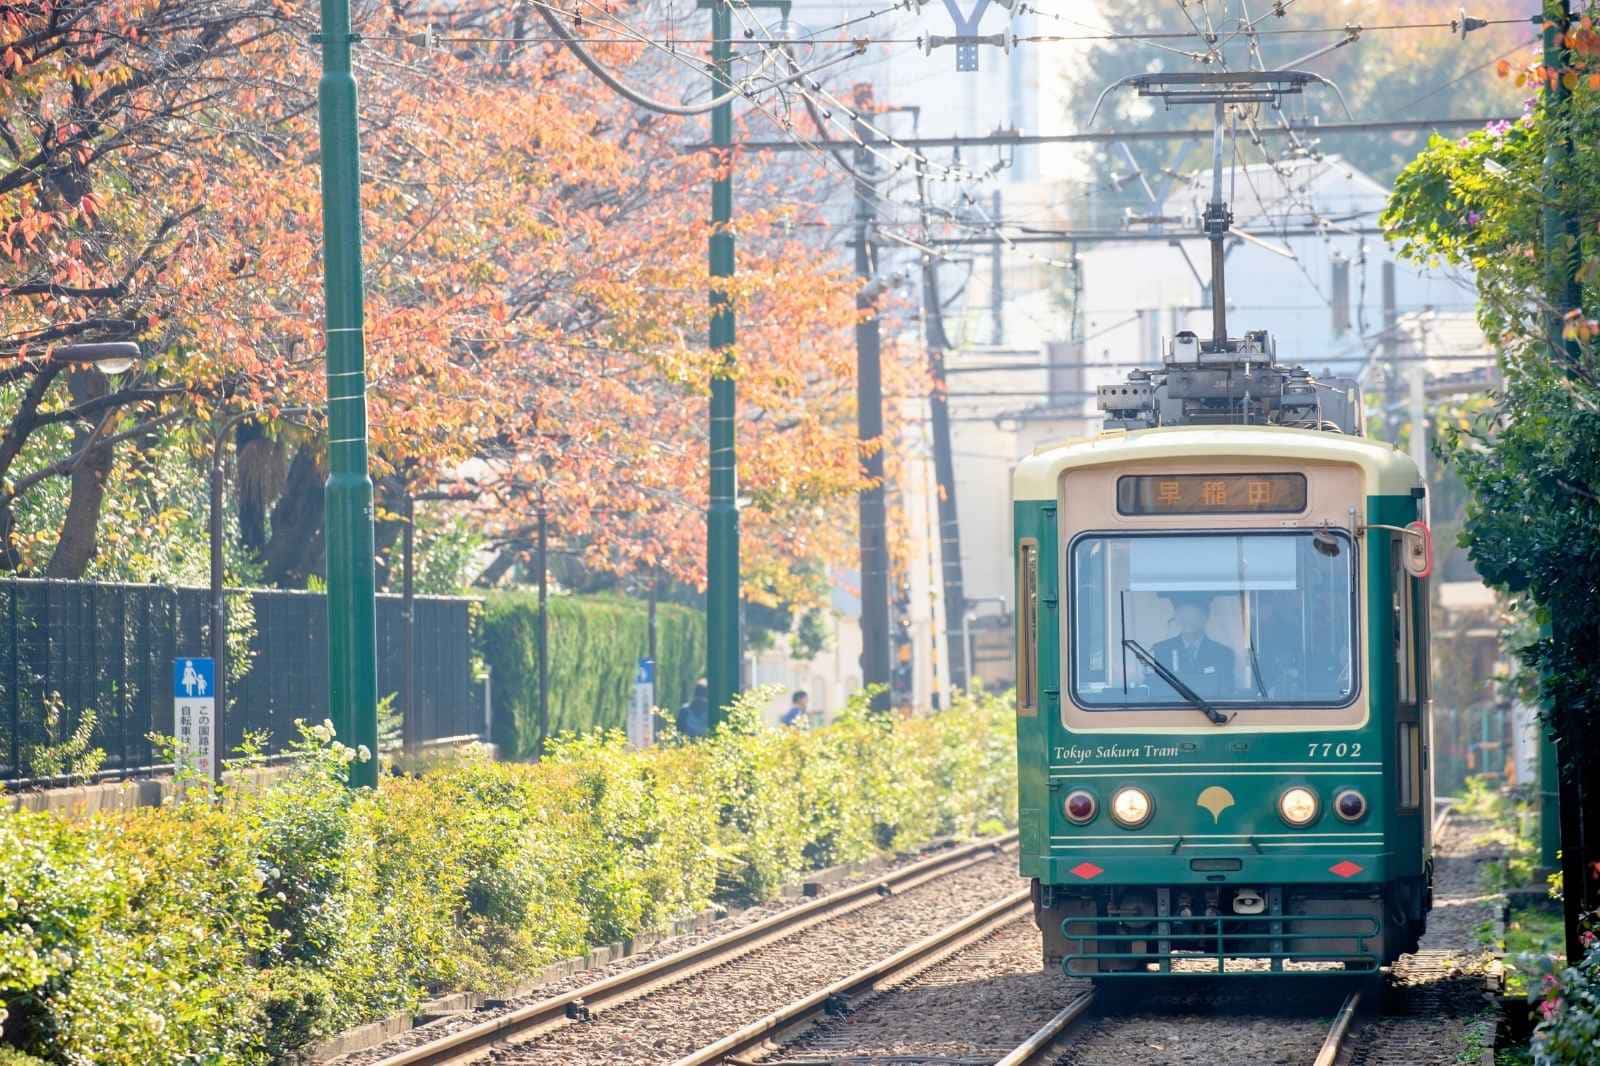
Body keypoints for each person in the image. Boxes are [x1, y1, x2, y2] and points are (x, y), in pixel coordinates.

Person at [1149, 594, 1236, 698]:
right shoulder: (1161, 650)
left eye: (1194, 615)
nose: (1188, 620)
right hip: (1171, 707)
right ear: (1176, 617)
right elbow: (1153, 689)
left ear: (1205, 617)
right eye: (1184, 614)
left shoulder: (1222, 654)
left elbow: (1226, 692)